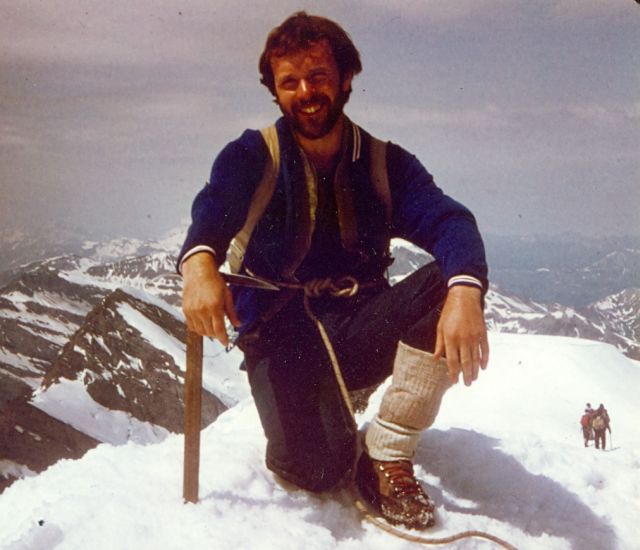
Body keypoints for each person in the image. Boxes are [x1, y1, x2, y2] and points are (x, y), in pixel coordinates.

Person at [178, 12, 489, 530]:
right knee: (315, 471)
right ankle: (330, 426)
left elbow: (450, 221)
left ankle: (387, 451)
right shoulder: (253, 156)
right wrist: (198, 263)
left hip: (360, 326)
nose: (306, 92)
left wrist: (464, 294)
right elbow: (213, 209)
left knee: (450, 282)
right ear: (275, 92)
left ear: (346, 79)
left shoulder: (386, 165)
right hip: (282, 335)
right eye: (290, 82)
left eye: (319, 76)